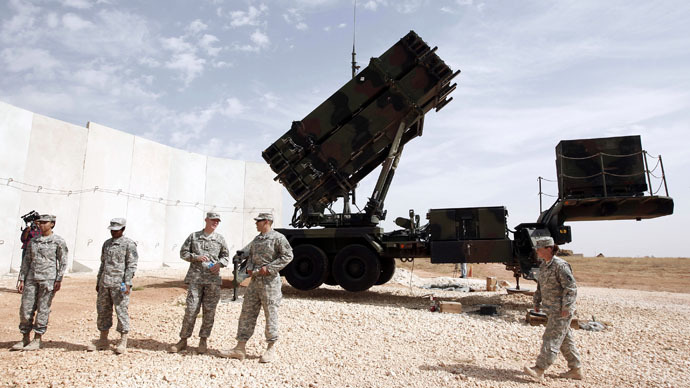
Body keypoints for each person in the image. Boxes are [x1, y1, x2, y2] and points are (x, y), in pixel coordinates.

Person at [220, 212, 293, 363]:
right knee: (247, 313)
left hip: (270, 283)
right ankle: (240, 348)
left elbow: (288, 256)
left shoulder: (278, 238)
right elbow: (250, 254)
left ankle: (271, 349)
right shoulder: (257, 239)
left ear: (266, 221)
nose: (256, 223)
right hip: (254, 283)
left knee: (270, 315)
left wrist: (270, 268)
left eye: (258, 221)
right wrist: (246, 265)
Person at [169, 212, 230, 354]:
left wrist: (219, 264)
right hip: (195, 279)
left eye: (217, 221)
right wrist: (196, 257)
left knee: (209, 311)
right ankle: (183, 340)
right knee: (191, 310)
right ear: (206, 220)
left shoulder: (220, 239)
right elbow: (183, 253)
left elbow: (226, 257)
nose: (215, 223)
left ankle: (203, 340)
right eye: (213, 220)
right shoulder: (194, 237)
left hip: (212, 281)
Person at [524, 236, 583, 380]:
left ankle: (539, 369)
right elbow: (540, 286)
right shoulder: (544, 265)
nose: (537, 251)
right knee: (564, 340)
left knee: (551, 337)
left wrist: (567, 307)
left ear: (549, 249)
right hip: (550, 309)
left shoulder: (561, 266)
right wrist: (537, 302)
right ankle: (576, 369)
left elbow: (571, 288)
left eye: (540, 248)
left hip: (561, 310)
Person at [11, 214, 68, 351]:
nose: (41, 225)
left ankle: (37, 339)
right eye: (40, 222)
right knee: (26, 308)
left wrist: (58, 279)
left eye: (44, 222)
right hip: (31, 278)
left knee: (43, 308)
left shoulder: (58, 241)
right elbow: (26, 261)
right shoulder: (34, 241)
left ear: (52, 224)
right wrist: (22, 279)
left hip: (48, 280)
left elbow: (63, 261)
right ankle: (25, 338)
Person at [87, 218, 139, 354]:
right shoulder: (107, 244)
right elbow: (103, 264)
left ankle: (123, 340)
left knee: (121, 311)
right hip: (105, 283)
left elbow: (131, 265)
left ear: (122, 229)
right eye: (112, 230)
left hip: (120, 283)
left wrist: (127, 283)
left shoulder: (129, 244)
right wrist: (99, 281)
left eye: (116, 230)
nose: (113, 233)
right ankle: (103, 339)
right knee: (103, 310)